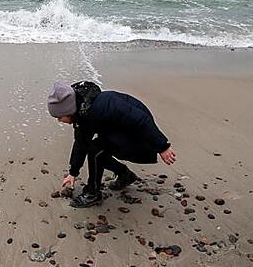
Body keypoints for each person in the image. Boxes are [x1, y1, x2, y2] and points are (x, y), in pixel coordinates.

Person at [47, 81, 176, 208]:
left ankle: (93, 193)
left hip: (140, 135)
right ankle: (125, 175)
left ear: (69, 110)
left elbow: (141, 119)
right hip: (122, 131)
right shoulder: (83, 111)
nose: (59, 120)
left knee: (96, 149)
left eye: (59, 117)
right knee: (98, 149)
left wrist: (162, 146)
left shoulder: (102, 106)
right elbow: (81, 144)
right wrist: (73, 173)